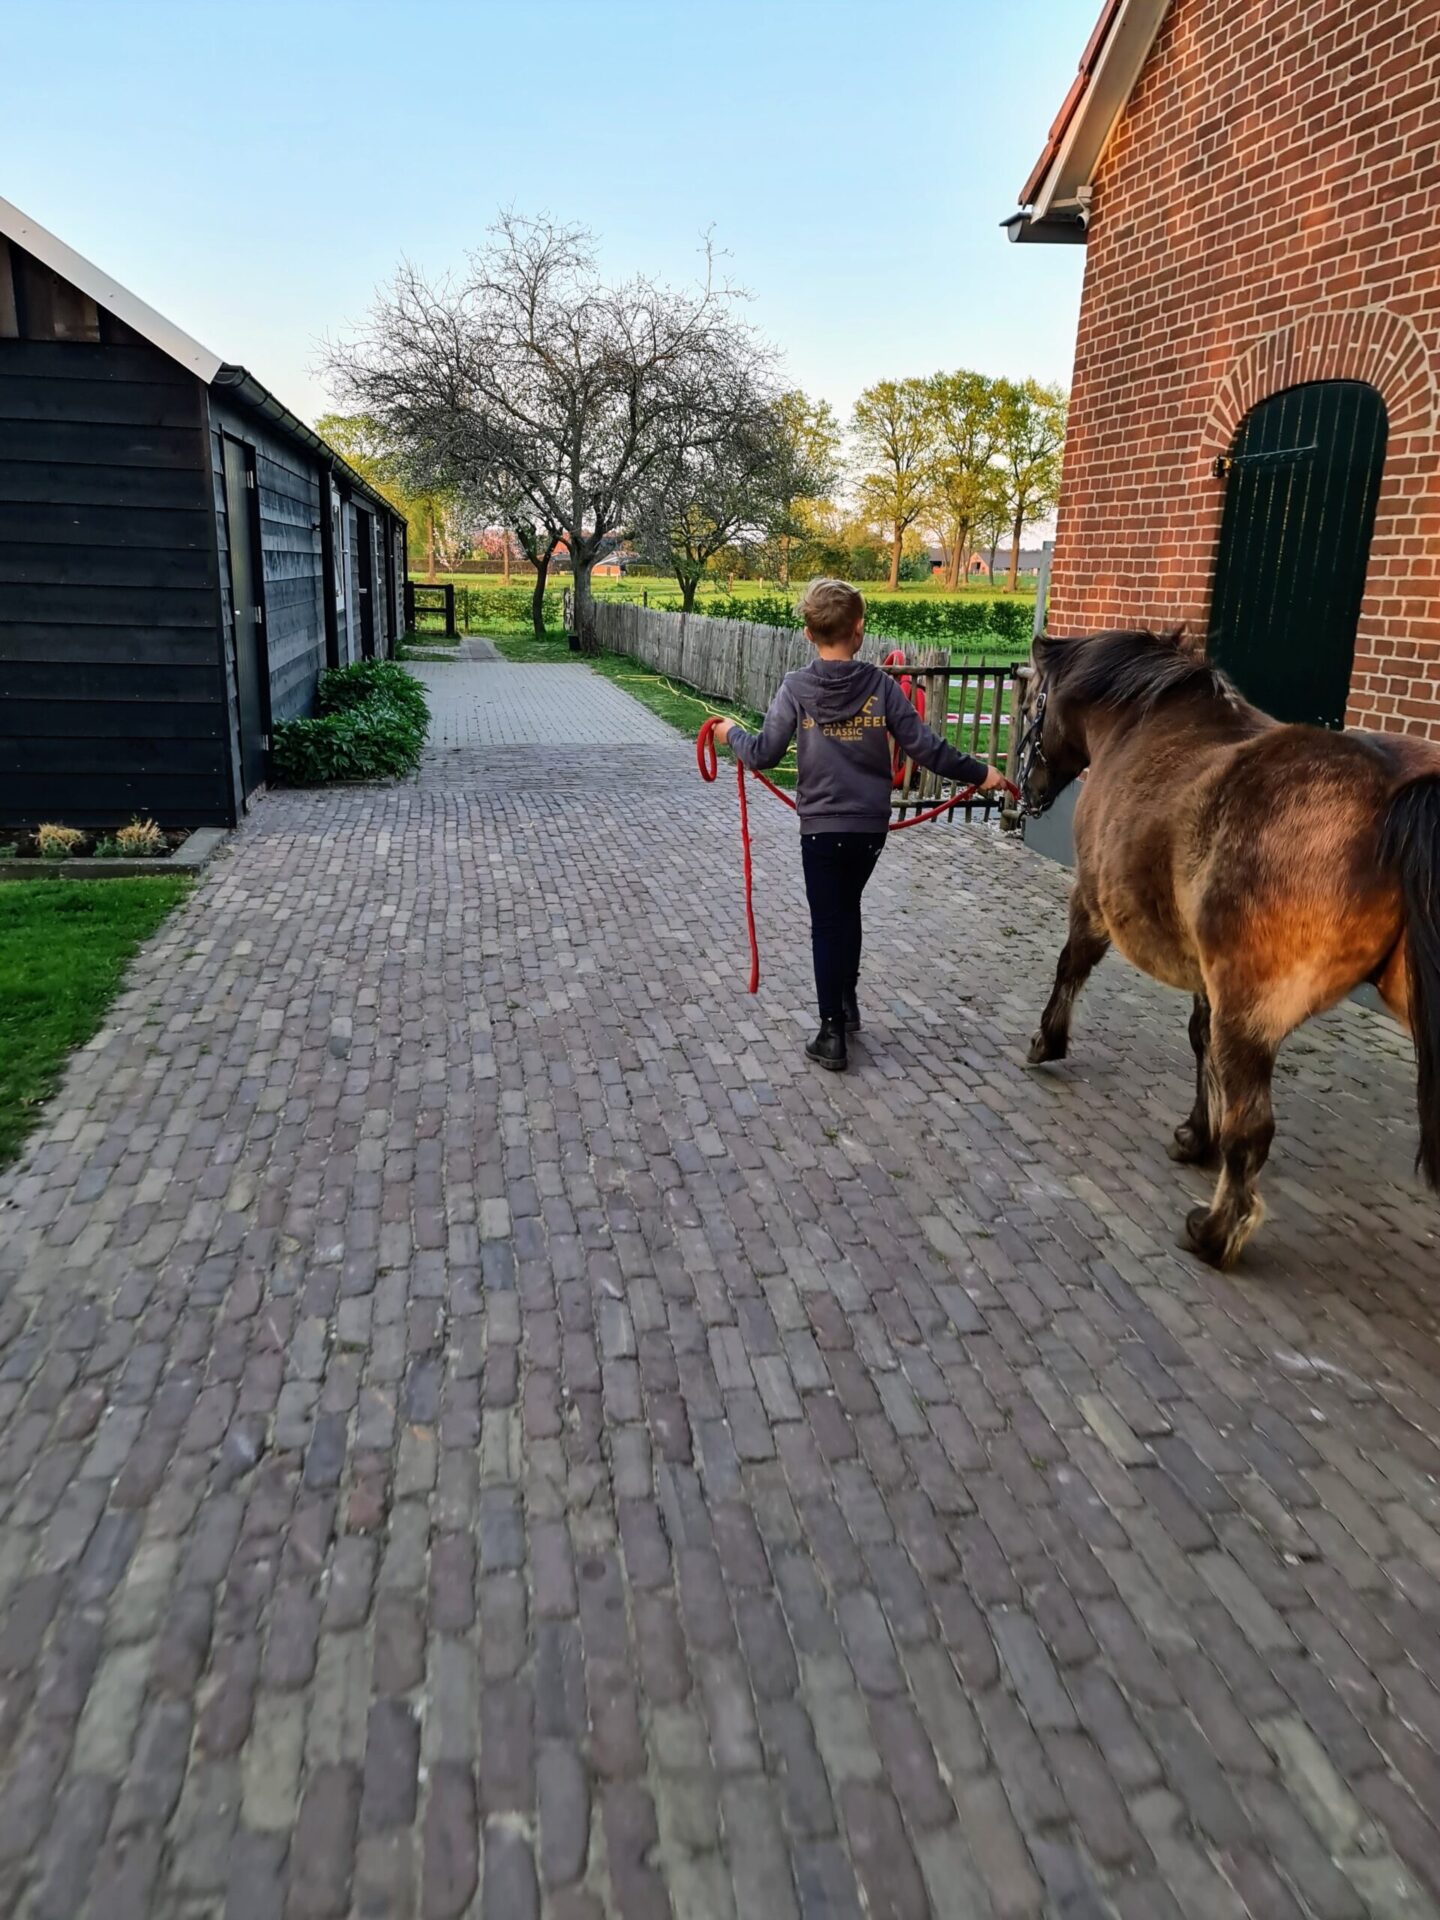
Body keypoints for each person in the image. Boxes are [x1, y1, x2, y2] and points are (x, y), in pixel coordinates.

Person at [711, 578, 1009, 1072]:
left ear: (808, 634)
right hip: (869, 830)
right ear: (860, 630)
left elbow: (763, 752)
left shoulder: (796, 688)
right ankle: (846, 1005)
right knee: (846, 910)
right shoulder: (881, 687)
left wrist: (729, 733)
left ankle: (831, 1033)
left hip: (822, 829)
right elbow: (927, 748)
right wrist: (983, 772)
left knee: (828, 923)